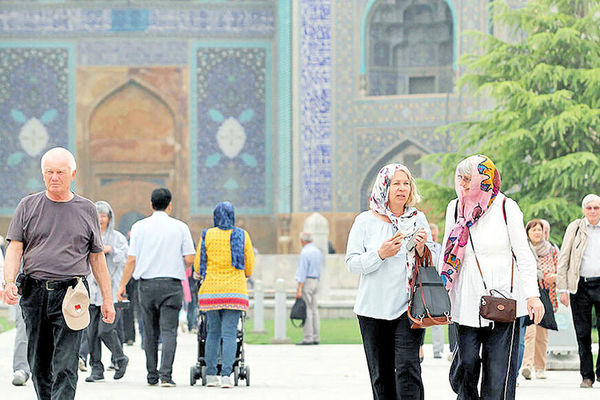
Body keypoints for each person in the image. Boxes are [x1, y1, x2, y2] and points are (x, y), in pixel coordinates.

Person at [2, 147, 116, 400]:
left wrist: (107, 299)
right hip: (34, 292)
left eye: (60, 172)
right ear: (43, 174)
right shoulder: (27, 205)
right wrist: (9, 281)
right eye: (49, 172)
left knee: (65, 364)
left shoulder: (86, 209)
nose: (54, 177)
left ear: (72, 173)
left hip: (72, 294)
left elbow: (96, 257)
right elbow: (15, 247)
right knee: (39, 364)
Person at [438, 155, 543, 400]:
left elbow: (523, 254)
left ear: (484, 179)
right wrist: (441, 292)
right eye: (461, 178)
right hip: (466, 301)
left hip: (502, 300)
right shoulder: (455, 207)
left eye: (469, 179)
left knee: (498, 374)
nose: (463, 185)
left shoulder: (507, 207)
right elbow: (447, 251)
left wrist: (533, 297)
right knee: (466, 365)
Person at [346, 163, 433, 399]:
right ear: (384, 187)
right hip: (372, 310)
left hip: (408, 308)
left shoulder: (418, 219)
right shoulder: (365, 221)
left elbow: (432, 261)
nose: (402, 189)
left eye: (406, 184)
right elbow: (352, 263)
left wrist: (424, 247)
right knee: (381, 374)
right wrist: (380, 254)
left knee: (408, 369)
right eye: (396, 183)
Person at [117, 188, 195, 387]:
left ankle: (151, 375)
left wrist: (122, 285)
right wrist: (175, 265)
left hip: (147, 286)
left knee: (149, 331)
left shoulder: (139, 228)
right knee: (169, 331)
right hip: (172, 285)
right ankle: (166, 376)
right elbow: (189, 258)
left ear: (151, 205)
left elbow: (131, 260)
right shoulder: (180, 227)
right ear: (170, 205)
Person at [194, 201, 255, 388]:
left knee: (213, 332)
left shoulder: (207, 235)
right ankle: (227, 376)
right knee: (230, 333)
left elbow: (198, 266)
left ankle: (211, 375)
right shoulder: (242, 235)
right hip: (235, 292)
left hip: (211, 292)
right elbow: (249, 268)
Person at [557, 193, 600, 388]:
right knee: (582, 333)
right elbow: (563, 258)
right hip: (580, 286)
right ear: (584, 210)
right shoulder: (575, 228)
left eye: (596, 208)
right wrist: (562, 289)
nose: (592, 211)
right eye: (589, 208)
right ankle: (587, 376)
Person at [85, 201, 130, 382]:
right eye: (98, 215)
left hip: (110, 292)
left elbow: (126, 257)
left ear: (109, 218)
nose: (101, 219)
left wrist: (110, 250)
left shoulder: (118, 238)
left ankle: (120, 358)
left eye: (104, 216)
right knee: (90, 333)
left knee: (105, 330)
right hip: (91, 292)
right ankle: (96, 369)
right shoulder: (88, 235)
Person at [520, 219, 559, 380]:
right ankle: (527, 365)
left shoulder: (552, 250)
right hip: (528, 293)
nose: (537, 233)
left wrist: (554, 277)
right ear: (527, 233)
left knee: (542, 332)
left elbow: (560, 269)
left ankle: (540, 367)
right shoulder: (523, 249)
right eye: (533, 230)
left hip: (546, 293)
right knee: (530, 331)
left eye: (540, 230)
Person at [295, 231, 323, 345]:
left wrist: (299, 288)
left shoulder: (305, 252)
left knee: (307, 310)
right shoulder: (317, 251)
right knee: (314, 310)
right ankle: (316, 337)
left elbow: (302, 271)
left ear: (302, 240)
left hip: (307, 281)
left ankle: (308, 337)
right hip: (316, 280)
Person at [428, 222, 445, 359]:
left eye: (435, 235)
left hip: (438, 286)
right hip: (426, 284)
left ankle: (438, 350)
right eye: (431, 235)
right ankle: (419, 348)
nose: (433, 237)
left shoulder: (441, 248)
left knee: (438, 319)